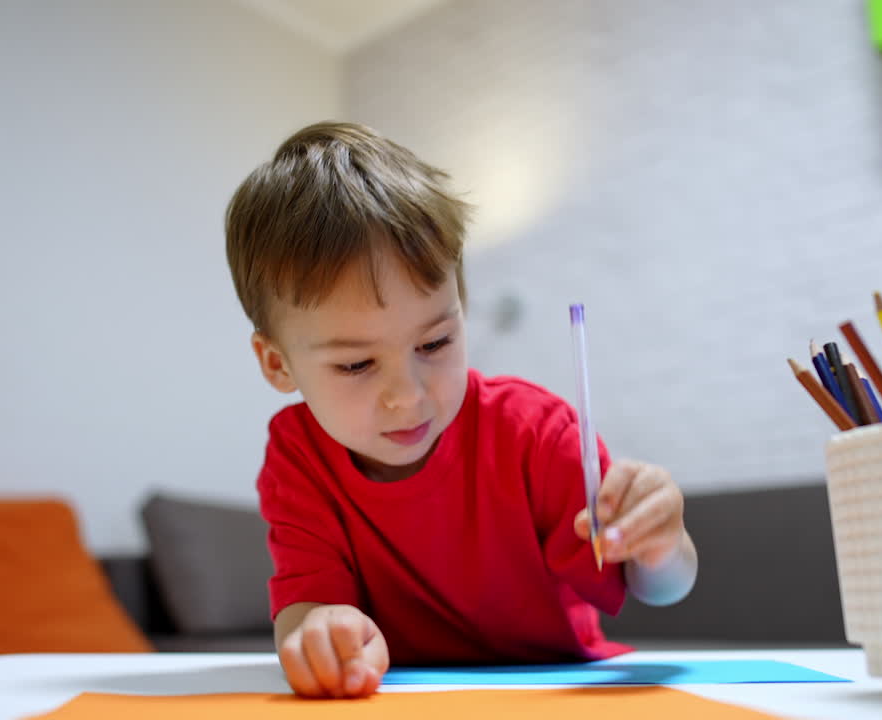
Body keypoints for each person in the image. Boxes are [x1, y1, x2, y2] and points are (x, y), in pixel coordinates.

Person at [224, 121, 697, 699]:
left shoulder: (537, 432)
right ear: (277, 365)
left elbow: (657, 589)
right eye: (355, 365)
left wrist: (665, 544)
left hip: (558, 692)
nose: (410, 396)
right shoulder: (297, 456)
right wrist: (320, 631)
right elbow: (305, 610)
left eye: (434, 344)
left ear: (461, 311)